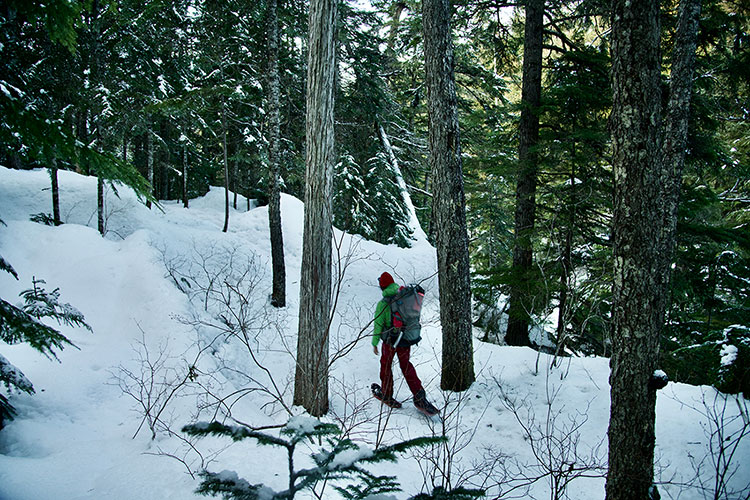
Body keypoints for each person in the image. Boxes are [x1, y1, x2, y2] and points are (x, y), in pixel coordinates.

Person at [372, 272, 438, 415]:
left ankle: (386, 394)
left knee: (386, 365)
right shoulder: (404, 296)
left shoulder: (383, 303)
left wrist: (374, 342)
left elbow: (378, 324)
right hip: (406, 339)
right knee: (406, 365)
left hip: (391, 341)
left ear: (382, 287)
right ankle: (419, 396)